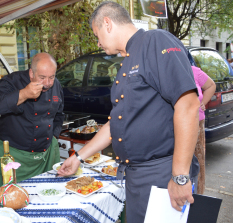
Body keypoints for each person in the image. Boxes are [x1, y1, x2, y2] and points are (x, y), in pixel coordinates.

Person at [57, 2, 200, 222]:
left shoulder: (155, 41)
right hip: (136, 175)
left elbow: (188, 104)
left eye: (97, 35)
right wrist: (78, 156)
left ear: (107, 23)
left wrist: (180, 176)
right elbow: (117, 123)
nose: (98, 42)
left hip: (162, 173)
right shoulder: (127, 61)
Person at [0, 52, 64, 187]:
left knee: (49, 192)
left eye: (51, 77)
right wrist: (23, 94)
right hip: (15, 155)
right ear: (31, 73)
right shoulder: (12, 81)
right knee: (15, 198)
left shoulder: (57, 85)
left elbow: (59, 114)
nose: (47, 83)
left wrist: (53, 136)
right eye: (42, 77)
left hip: (47, 155)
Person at [191, 66, 216, 194]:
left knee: (197, 165)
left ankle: (198, 198)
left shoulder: (194, 71)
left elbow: (211, 85)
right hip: (172, 125)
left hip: (197, 123)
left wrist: (203, 102)